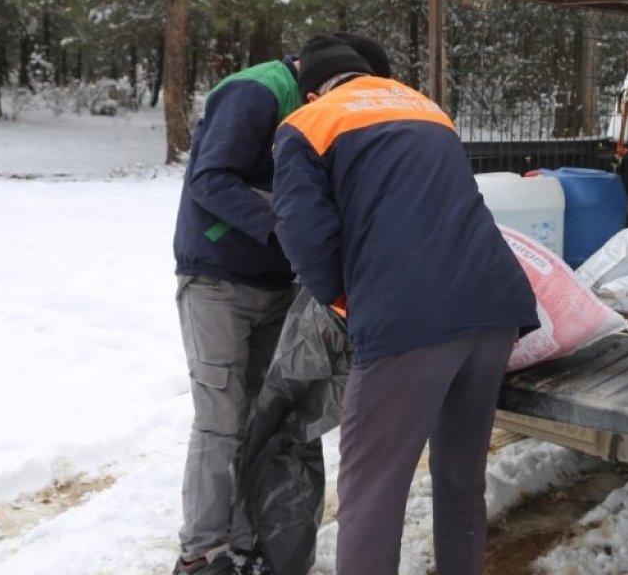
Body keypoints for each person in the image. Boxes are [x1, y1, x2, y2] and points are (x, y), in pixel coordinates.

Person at [270, 35, 539, 575]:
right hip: (494, 307)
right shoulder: (425, 107)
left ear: (311, 90)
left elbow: (302, 232)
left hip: (408, 321)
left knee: (372, 490)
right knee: (461, 477)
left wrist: (344, 299)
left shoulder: (309, 123)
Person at [170, 51, 304, 575]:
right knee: (220, 419)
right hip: (217, 279)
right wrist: (286, 223)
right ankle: (202, 552)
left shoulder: (319, 108)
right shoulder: (257, 92)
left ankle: (249, 543)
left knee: (263, 417)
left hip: (278, 283)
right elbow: (211, 178)